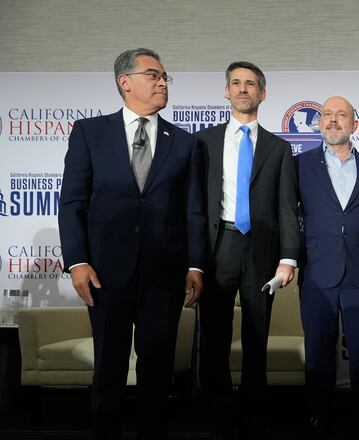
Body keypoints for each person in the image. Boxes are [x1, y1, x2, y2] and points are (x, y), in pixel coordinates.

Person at [58, 48, 207, 440]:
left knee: (157, 367)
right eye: (153, 75)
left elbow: (193, 210)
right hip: (106, 271)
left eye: (164, 77)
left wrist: (195, 265)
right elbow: (72, 202)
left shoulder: (186, 143)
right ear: (125, 82)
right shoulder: (90, 132)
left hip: (165, 272)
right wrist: (76, 261)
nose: (162, 82)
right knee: (109, 364)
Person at [194, 61, 299, 439]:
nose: (242, 89)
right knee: (214, 335)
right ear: (226, 91)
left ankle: (255, 413)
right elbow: (193, 205)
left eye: (250, 84)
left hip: (262, 251)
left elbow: (287, 207)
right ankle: (217, 414)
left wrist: (288, 257)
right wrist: (192, 258)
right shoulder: (202, 142)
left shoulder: (279, 148)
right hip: (217, 245)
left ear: (263, 94)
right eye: (235, 83)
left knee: (257, 334)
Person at [296, 96, 359, 439]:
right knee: (318, 350)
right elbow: (289, 216)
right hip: (317, 270)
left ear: (354, 124)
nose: (333, 120)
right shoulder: (299, 166)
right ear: (319, 123)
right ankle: (318, 415)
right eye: (327, 115)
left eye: (341, 115)